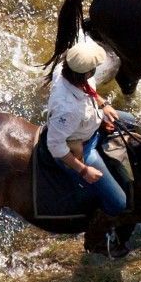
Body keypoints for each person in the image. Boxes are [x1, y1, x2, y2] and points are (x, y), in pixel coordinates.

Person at [46, 42, 129, 257]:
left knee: (132, 120)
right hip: (81, 145)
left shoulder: (70, 72)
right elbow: (55, 145)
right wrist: (83, 170)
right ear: (86, 71)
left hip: (91, 123)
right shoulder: (67, 108)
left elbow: (89, 90)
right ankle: (96, 243)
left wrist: (103, 106)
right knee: (118, 203)